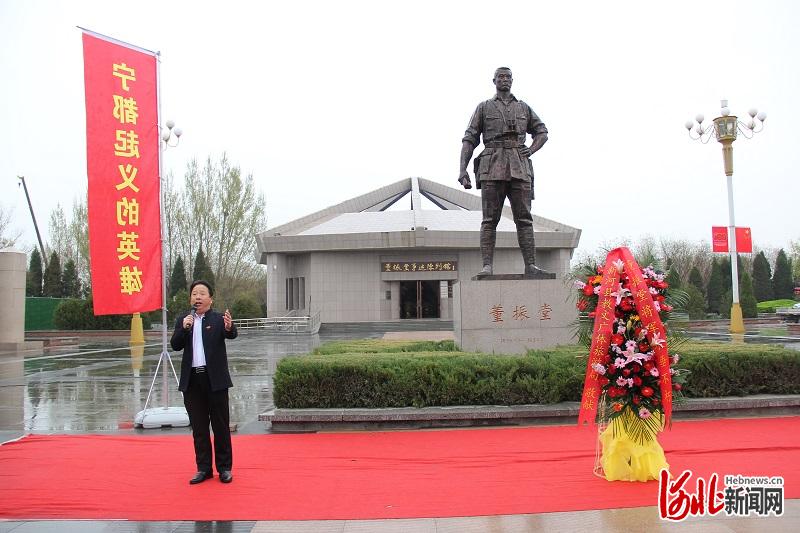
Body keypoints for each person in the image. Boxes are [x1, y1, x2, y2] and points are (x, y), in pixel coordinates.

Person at [458, 66, 553, 279]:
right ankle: (487, 266)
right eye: (500, 76)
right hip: (492, 165)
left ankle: (531, 265)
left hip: (519, 166)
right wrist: (462, 169)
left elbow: (542, 132)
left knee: (524, 218)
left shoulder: (523, 107)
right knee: (489, 219)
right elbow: (470, 139)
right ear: (494, 81)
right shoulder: (484, 107)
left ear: (512, 80)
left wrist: (531, 149)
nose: (505, 79)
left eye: (508, 77)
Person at [170, 279, 238, 484]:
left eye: (201, 294)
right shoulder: (184, 319)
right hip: (192, 381)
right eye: (194, 294)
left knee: (220, 426)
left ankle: (224, 468)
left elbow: (231, 334)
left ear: (210, 299)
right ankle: (203, 468)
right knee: (199, 428)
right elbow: (175, 345)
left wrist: (229, 327)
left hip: (215, 379)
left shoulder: (218, 319)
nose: (197, 297)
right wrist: (184, 328)